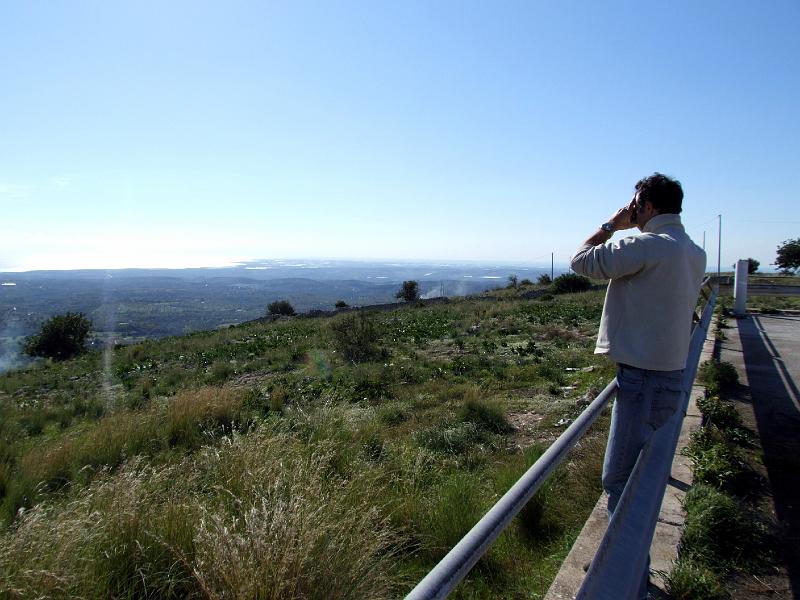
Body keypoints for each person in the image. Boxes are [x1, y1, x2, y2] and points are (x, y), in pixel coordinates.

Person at [570, 173, 706, 598]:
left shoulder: (645, 245)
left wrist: (612, 224)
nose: (631, 210)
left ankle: (628, 577)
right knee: (644, 478)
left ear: (645, 206)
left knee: (619, 482)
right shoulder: (693, 251)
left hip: (641, 380)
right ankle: (627, 564)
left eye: (634, 204)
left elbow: (581, 261)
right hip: (671, 375)